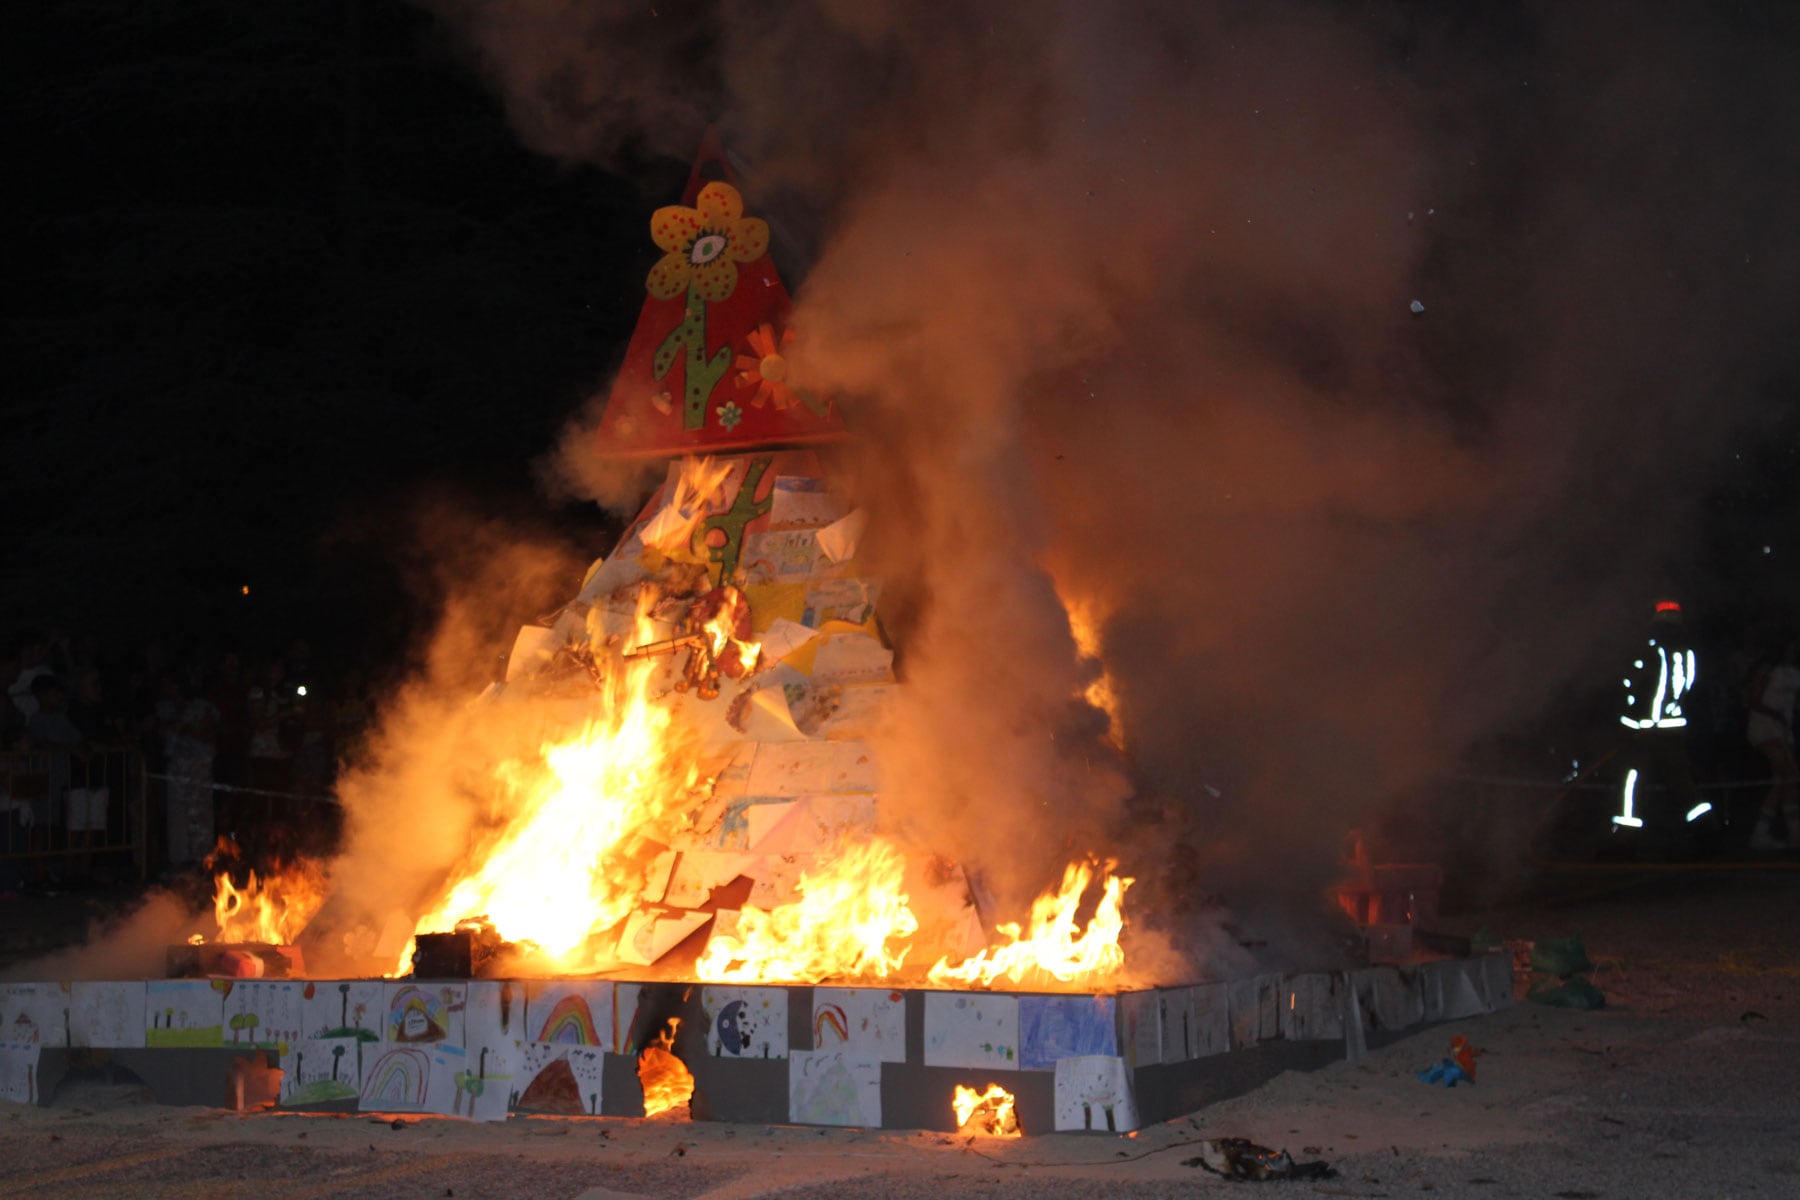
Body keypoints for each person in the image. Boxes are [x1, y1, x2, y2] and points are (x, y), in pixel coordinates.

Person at [1612, 599, 1707, 854]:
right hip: (1672, 729)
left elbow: (1637, 693)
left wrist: (1629, 726)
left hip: (1646, 731)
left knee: (1632, 779)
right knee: (1681, 781)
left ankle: (1626, 837)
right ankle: (1705, 830)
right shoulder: (1687, 654)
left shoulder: (1649, 653)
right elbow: (1687, 690)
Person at [1746, 639, 1800, 850]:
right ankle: (1771, 834)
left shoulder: (1793, 672)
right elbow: (1754, 699)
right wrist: (1775, 715)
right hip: (1764, 729)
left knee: (1783, 782)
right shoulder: (1767, 670)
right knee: (1792, 775)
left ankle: (1769, 833)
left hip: (1783, 732)